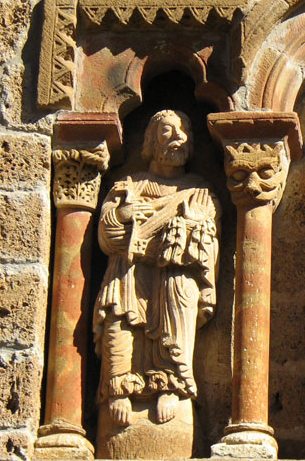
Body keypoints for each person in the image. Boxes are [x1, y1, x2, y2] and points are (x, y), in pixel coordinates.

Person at [93, 110, 220, 428]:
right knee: (118, 318)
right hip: (129, 272)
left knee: (179, 292)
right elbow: (107, 237)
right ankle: (118, 387)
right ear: (150, 141)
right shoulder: (128, 186)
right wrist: (122, 215)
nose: (179, 137)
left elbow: (208, 242)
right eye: (168, 131)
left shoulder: (199, 190)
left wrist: (190, 224)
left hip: (172, 272)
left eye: (184, 131)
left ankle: (171, 384)